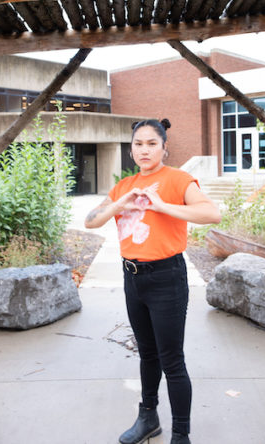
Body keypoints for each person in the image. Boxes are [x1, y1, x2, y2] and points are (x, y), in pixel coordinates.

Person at [85, 119, 221, 444]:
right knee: (147, 354)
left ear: (163, 147)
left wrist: (162, 206)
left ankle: (181, 435)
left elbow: (212, 213)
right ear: (131, 149)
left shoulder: (178, 179)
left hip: (166, 278)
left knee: (172, 359)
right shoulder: (123, 187)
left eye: (151, 143)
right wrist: (121, 203)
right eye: (138, 144)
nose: (144, 149)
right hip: (133, 278)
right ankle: (148, 418)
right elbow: (91, 221)